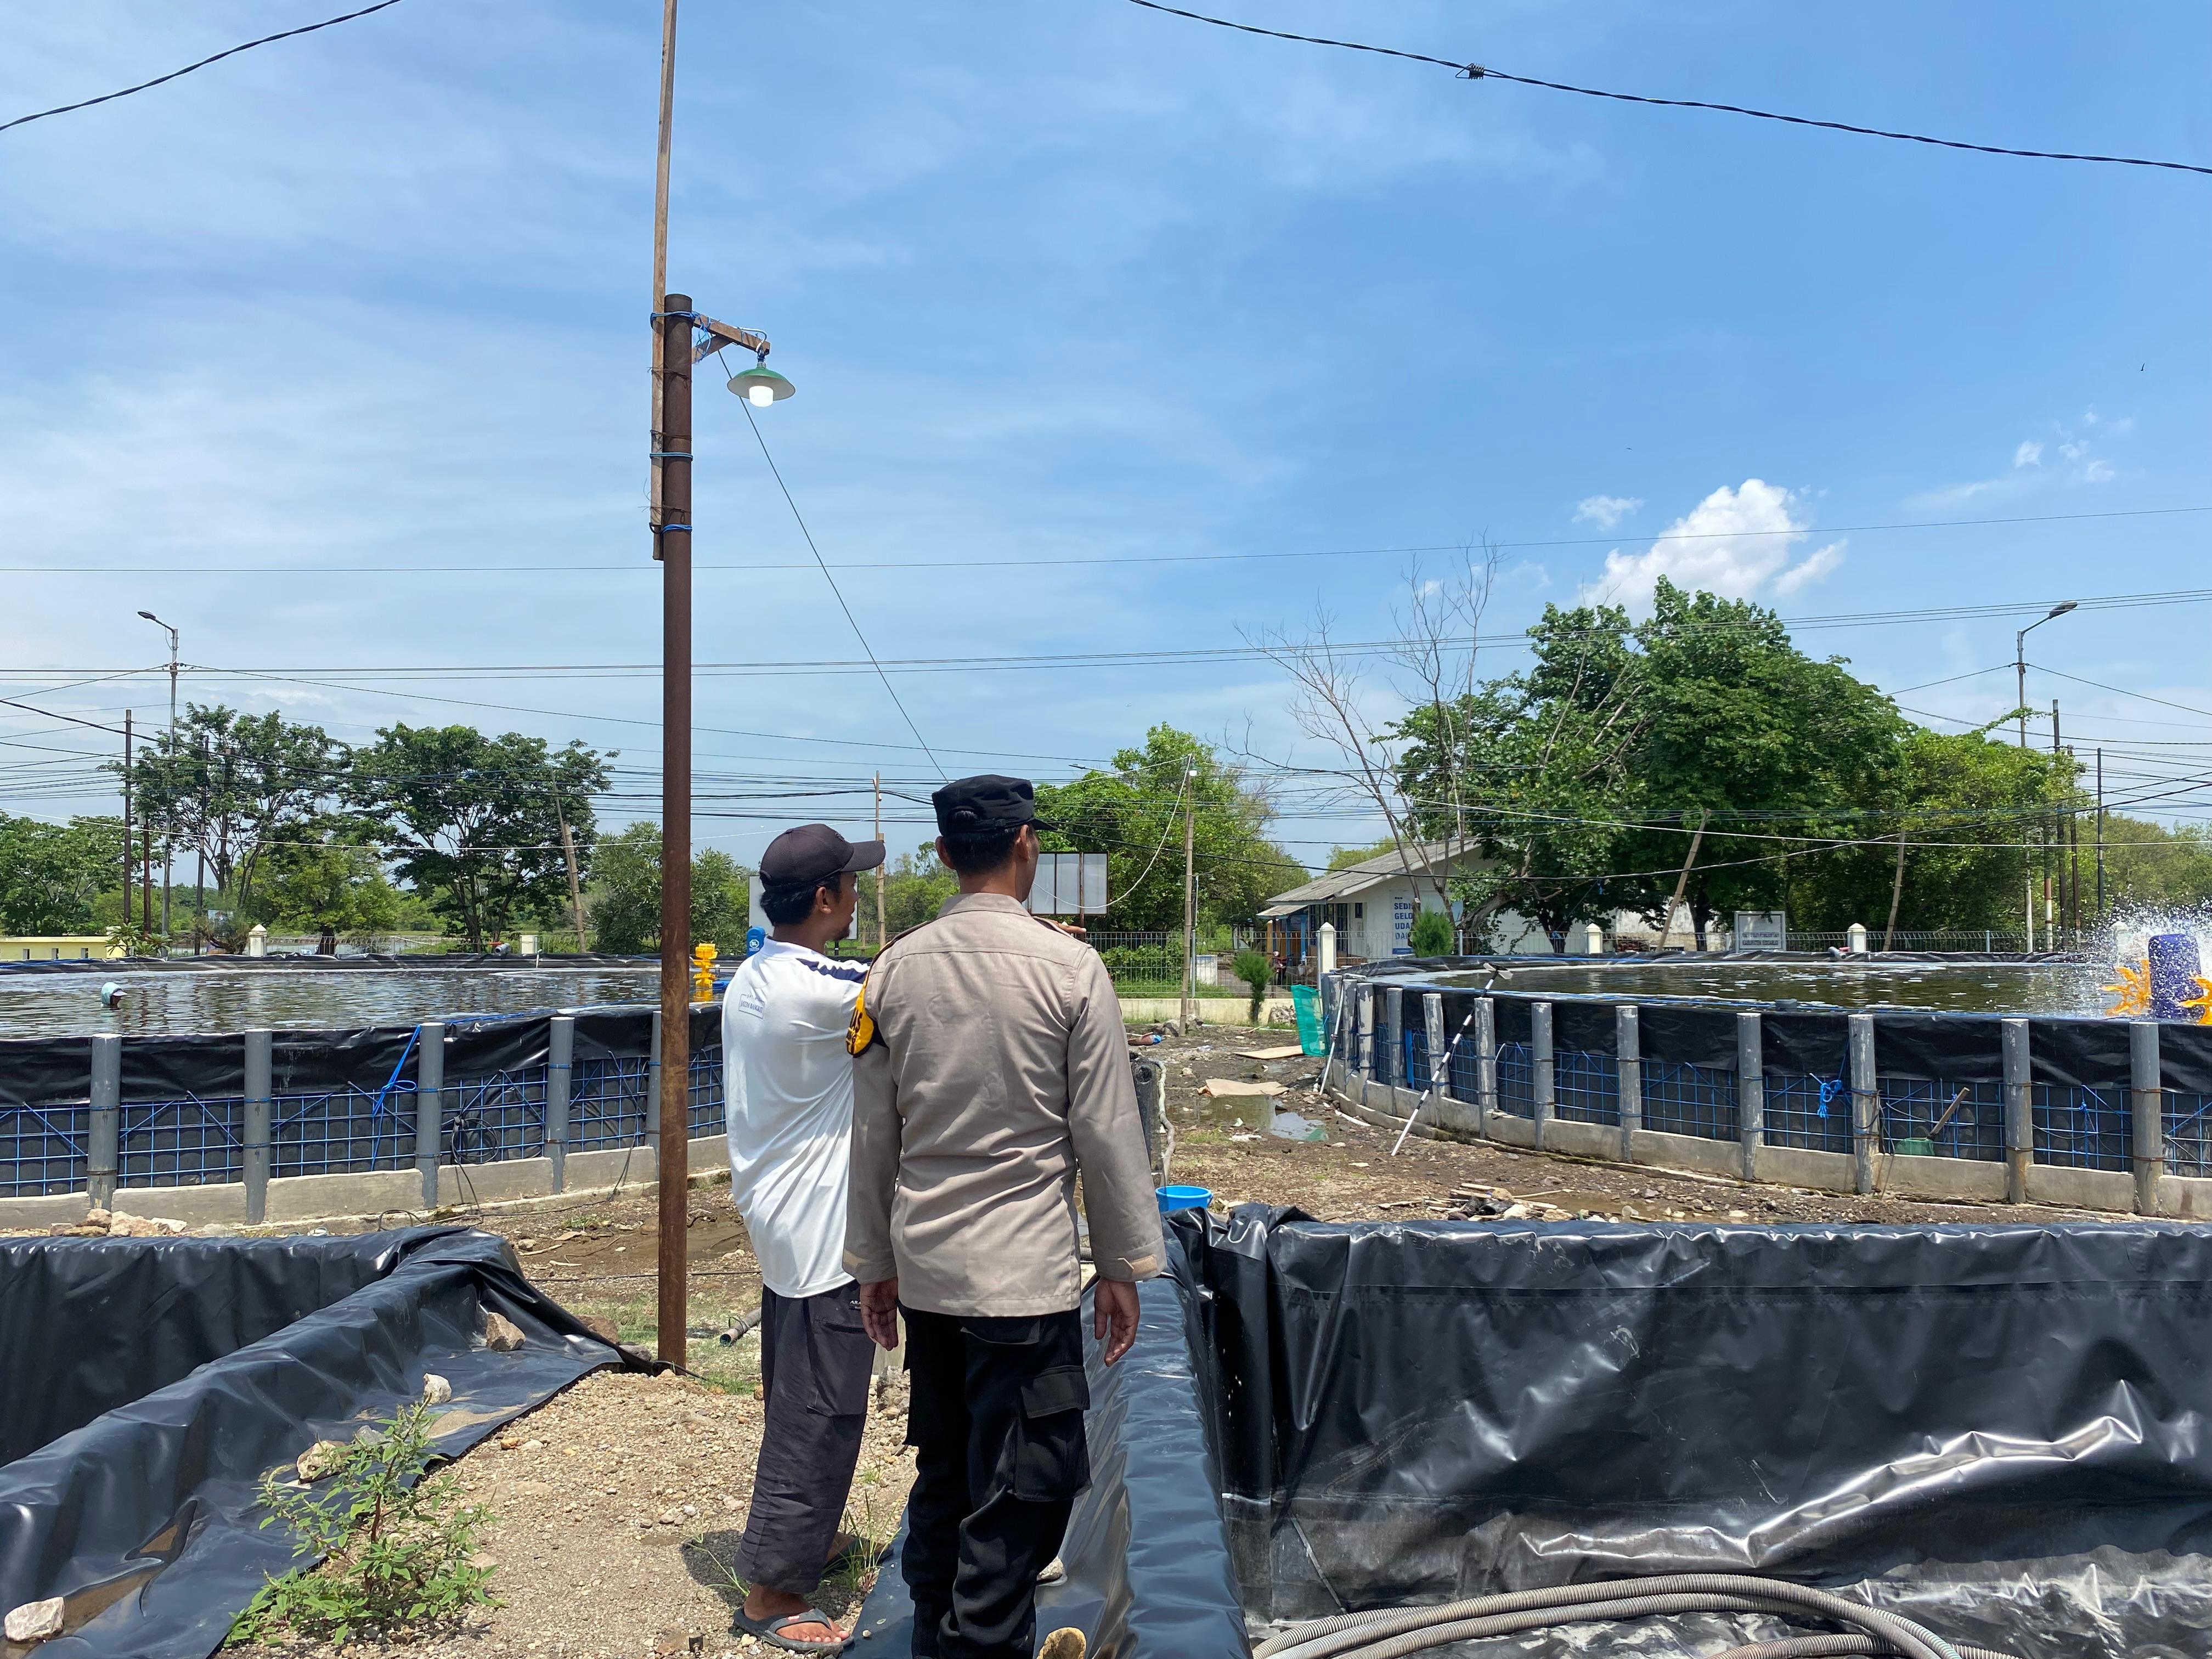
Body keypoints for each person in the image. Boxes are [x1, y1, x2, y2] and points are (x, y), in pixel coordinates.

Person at [845, 775, 1165, 1659]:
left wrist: (873, 1263)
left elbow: (873, 1136)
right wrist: (1121, 1265)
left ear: (945, 854)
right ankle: (979, 1642)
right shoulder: (1069, 968)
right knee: (1023, 1489)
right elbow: (1107, 1131)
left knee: (946, 1468)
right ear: (1028, 845)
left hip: (929, 1275)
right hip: (1023, 1280)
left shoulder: (893, 969)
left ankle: (935, 1635)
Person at [722, 822, 887, 1654]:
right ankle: (774, 1591)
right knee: (822, 1407)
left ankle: (808, 1540)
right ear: (825, 898)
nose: (856, 896)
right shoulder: (819, 989)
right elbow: (911, 979)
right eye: (851, 884)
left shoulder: (755, 973)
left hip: (780, 1213)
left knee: (798, 1389)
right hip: (822, 1229)